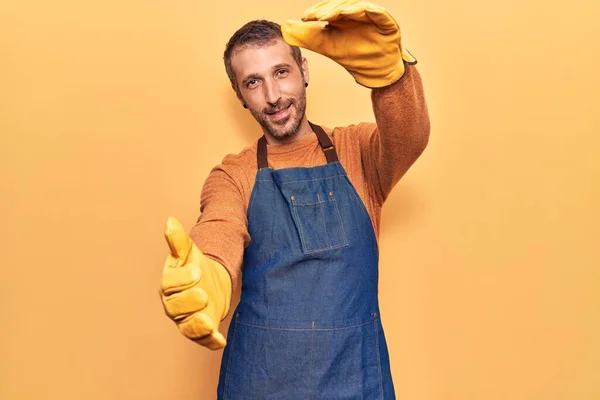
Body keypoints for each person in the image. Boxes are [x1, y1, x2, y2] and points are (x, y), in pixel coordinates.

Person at [159, 0, 430, 398]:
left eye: (281, 72)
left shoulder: (358, 152)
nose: (273, 96)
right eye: (253, 82)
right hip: (260, 382)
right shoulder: (234, 174)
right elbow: (219, 226)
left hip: (355, 379)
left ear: (304, 71)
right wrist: (210, 274)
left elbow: (410, 136)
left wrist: (392, 77)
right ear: (240, 95)